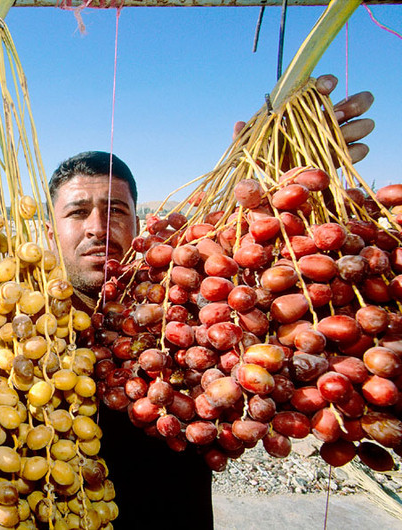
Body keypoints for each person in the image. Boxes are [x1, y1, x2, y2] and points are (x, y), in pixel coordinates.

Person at [45, 76, 374, 528]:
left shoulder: (181, 301)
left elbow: (269, 298)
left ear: (138, 224)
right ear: (49, 233)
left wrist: (275, 183)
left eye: (116, 210)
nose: (97, 227)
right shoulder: (14, 323)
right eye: (77, 212)